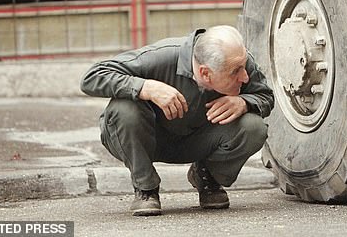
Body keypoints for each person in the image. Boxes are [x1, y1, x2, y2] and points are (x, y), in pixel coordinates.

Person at [80, 25, 274, 216]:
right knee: (123, 109)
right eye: (235, 72)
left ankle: (207, 177)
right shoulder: (160, 57)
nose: (245, 76)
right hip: (148, 138)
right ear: (206, 72)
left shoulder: (236, 58)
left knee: (253, 127)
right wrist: (145, 87)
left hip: (200, 140)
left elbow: (265, 96)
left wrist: (244, 102)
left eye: (243, 66)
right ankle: (145, 188)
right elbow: (91, 77)